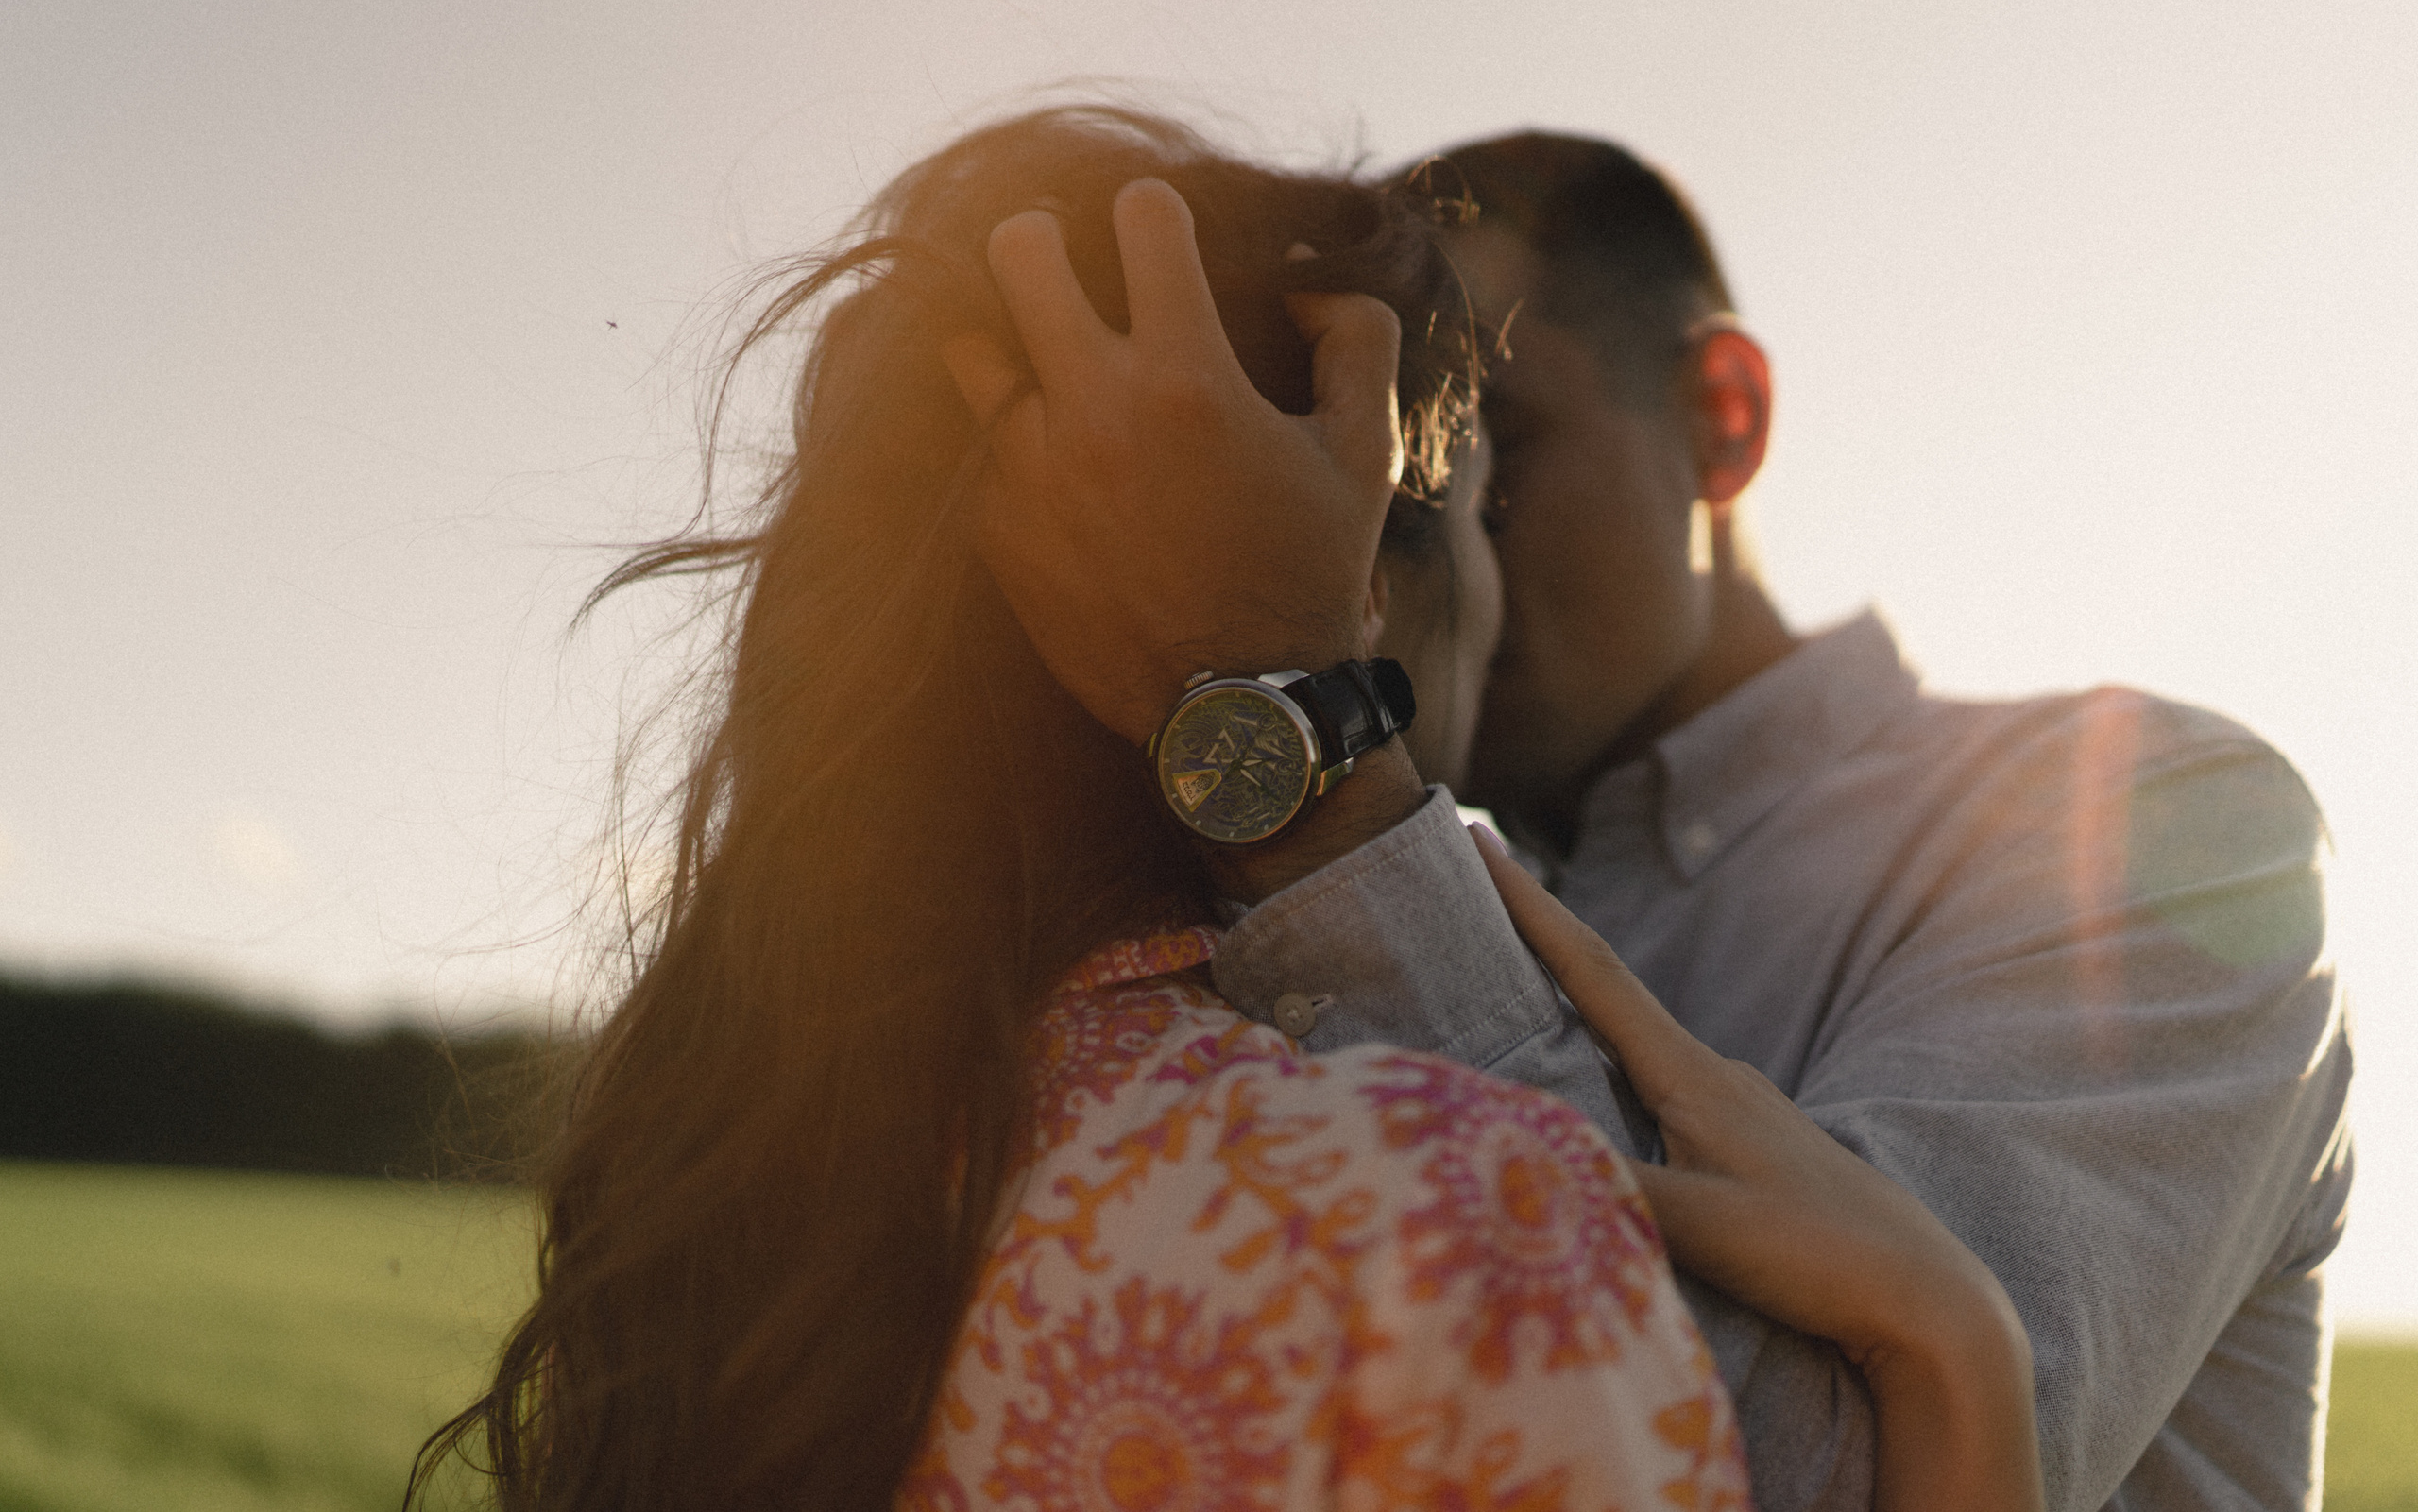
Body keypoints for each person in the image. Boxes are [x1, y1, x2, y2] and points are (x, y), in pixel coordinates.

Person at [414, 106, 2051, 1512]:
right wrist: (1963, 1373)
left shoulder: (753, 1154)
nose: (1512, 568)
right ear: (1357, 575)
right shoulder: (1453, 1218)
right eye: (1485, 491)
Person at [973, 127, 2352, 1512]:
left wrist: (1299, 741)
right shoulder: (1251, 944)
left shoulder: (2150, 825)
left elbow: (1837, 1478)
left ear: (1722, 415)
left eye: (1476, 454)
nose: (1363, 557)